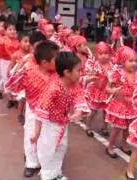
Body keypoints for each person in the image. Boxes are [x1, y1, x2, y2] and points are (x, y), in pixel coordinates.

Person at [32, 52, 90, 180]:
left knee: (61, 148)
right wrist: (36, 133)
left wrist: (78, 111)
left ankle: (55, 173)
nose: (81, 73)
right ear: (67, 72)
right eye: (78, 70)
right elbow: (40, 111)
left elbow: (78, 96)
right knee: (49, 149)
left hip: (63, 122)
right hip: (51, 124)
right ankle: (47, 175)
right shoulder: (53, 89)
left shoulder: (73, 84)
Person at [6, 40, 59, 177]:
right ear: (44, 61)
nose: (59, 60)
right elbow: (12, 86)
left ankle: (47, 164)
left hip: (52, 113)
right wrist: (19, 68)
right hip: (33, 111)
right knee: (31, 136)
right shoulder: (28, 71)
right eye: (56, 58)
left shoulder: (58, 73)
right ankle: (31, 163)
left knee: (49, 139)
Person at [105, 46, 137, 158]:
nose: (134, 64)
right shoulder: (118, 73)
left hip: (132, 107)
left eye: (135, 61)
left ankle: (124, 145)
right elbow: (107, 88)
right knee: (117, 129)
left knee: (128, 128)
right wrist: (113, 90)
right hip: (120, 106)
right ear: (123, 61)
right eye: (130, 61)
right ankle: (110, 146)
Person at [85, 42, 115, 137]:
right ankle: (88, 126)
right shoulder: (95, 65)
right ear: (97, 54)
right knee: (93, 111)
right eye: (101, 54)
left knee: (106, 111)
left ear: (110, 54)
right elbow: (90, 75)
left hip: (107, 92)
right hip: (96, 91)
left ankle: (105, 127)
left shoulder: (112, 65)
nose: (104, 56)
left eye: (106, 53)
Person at [7, 34, 32, 125]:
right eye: (25, 41)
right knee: (22, 99)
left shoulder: (33, 54)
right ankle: (20, 115)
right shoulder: (16, 55)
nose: (28, 44)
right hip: (21, 81)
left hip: (31, 80)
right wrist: (11, 75)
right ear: (19, 42)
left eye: (29, 42)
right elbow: (10, 67)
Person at [0, 21, 20, 108]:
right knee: (6, 79)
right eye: (10, 29)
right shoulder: (2, 40)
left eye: (14, 29)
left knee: (16, 80)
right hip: (5, 63)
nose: (13, 31)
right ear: (5, 31)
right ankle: (10, 99)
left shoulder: (18, 40)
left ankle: (15, 99)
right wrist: (0, 45)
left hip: (16, 63)